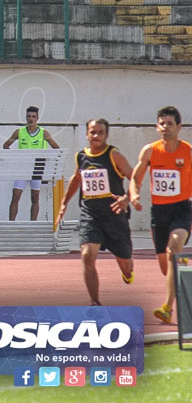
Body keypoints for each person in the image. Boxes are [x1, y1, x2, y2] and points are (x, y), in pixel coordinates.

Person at [56, 119, 135, 306]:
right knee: (87, 255)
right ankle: (94, 302)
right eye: (93, 132)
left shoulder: (114, 155)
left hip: (114, 214)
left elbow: (135, 178)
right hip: (90, 214)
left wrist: (127, 198)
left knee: (125, 263)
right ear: (87, 134)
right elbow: (76, 179)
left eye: (100, 132)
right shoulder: (81, 157)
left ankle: (127, 272)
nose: (96, 136)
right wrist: (64, 203)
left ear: (107, 135)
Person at [129, 106, 192, 324]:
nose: (165, 127)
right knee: (167, 266)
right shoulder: (150, 151)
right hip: (159, 212)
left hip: (182, 209)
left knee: (173, 248)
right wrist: (134, 195)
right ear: (157, 126)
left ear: (179, 127)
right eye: (162, 123)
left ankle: (167, 308)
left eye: (170, 124)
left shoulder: (188, 151)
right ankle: (184, 283)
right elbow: (135, 178)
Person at [3, 105, 60, 221]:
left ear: (37, 118)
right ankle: (11, 224)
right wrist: (15, 159)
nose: (31, 119)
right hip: (22, 168)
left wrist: (46, 160)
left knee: (35, 197)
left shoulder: (44, 133)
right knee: (16, 195)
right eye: (29, 116)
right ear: (26, 117)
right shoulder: (19, 132)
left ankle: (33, 223)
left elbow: (56, 147)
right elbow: (6, 145)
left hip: (37, 168)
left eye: (33, 116)